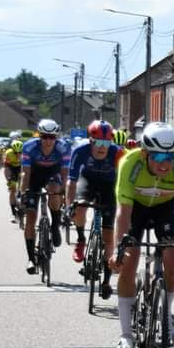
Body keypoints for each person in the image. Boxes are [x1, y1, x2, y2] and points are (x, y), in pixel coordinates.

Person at [109, 122, 174, 348]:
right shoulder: (130, 163)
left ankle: (166, 312)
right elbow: (123, 212)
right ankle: (125, 336)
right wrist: (119, 248)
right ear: (145, 154)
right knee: (128, 262)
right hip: (135, 209)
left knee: (173, 262)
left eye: (170, 156)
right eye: (159, 157)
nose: (165, 163)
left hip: (165, 208)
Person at [67, 120, 123, 298]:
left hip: (109, 186)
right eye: (98, 142)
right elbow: (71, 182)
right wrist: (69, 206)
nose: (102, 147)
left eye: (106, 142)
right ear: (90, 140)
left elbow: (124, 182)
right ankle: (81, 238)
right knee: (80, 206)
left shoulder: (117, 152)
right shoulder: (80, 150)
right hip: (87, 181)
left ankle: (106, 281)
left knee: (108, 236)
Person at [19, 119, 70, 275]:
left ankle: (55, 224)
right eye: (44, 137)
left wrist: (64, 193)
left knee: (55, 191)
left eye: (52, 137)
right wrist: (24, 193)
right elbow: (25, 173)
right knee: (30, 217)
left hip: (53, 174)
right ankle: (30, 259)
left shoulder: (63, 148)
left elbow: (65, 174)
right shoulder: (29, 147)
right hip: (34, 176)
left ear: (56, 137)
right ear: (39, 136)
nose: (48, 141)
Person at [3, 139, 23, 220]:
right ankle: (13, 212)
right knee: (12, 189)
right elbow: (6, 169)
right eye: (16, 152)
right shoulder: (8, 153)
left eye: (20, 152)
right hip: (11, 168)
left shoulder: (25, 153)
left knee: (24, 184)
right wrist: (8, 180)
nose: (18, 154)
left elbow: (28, 167)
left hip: (21, 168)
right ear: (12, 150)